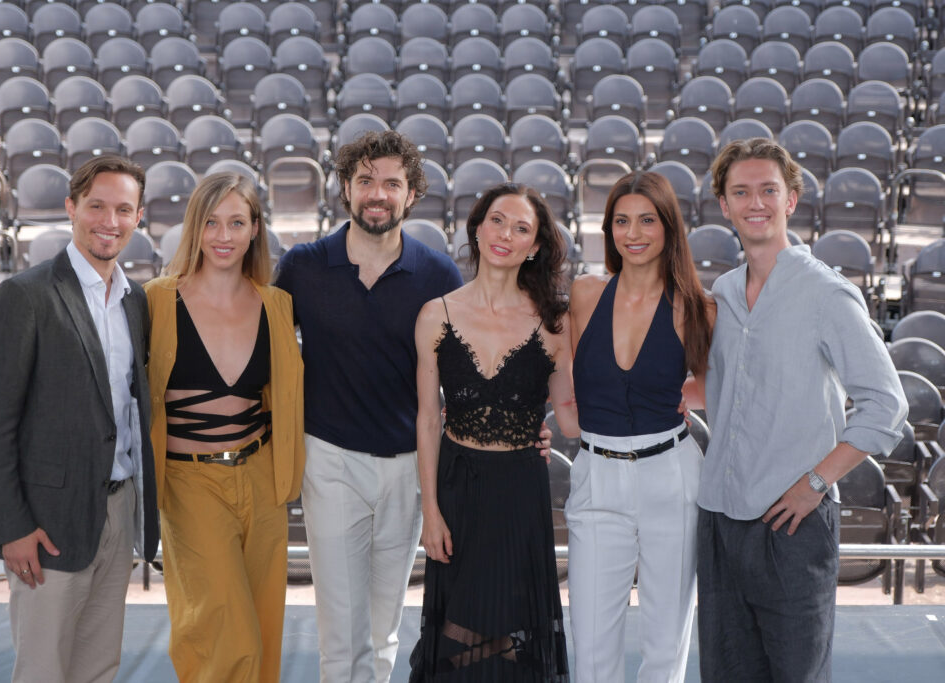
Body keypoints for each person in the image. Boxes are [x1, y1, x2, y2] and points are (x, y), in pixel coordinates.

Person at [696, 138, 907, 682]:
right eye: (741, 192)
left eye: (768, 190)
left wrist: (816, 482)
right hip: (721, 519)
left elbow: (886, 404)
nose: (755, 203)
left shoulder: (825, 293)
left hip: (793, 524)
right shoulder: (723, 291)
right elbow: (723, 389)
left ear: (791, 200)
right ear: (724, 205)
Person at [273, 130, 464, 683]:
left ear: (411, 194)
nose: (377, 194)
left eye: (391, 183)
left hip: (408, 466)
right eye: (365, 181)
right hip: (331, 461)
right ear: (346, 189)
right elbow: (265, 354)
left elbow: (463, 377)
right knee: (342, 631)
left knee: (384, 631)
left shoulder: (438, 275)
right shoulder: (304, 267)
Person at [0, 155, 158, 683]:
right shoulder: (24, 296)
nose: (110, 222)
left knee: (98, 668)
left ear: (139, 217)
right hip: (45, 524)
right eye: (97, 206)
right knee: (43, 671)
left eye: (123, 210)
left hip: (117, 514)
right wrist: (11, 527)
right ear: (71, 207)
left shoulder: (136, 301)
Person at [410, 182, 577, 681]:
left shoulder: (555, 322)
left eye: (521, 228)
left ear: (535, 246)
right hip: (457, 491)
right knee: (455, 632)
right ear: (478, 228)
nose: (506, 235)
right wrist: (430, 511)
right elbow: (427, 419)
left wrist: (666, 404)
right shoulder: (435, 315)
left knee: (515, 630)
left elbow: (570, 416)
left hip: (521, 492)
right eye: (497, 221)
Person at [144, 172, 304, 683]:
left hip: (262, 480)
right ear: (195, 226)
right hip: (189, 482)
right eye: (211, 222)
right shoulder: (155, 301)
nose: (223, 235)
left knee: (263, 631)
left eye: (237, 222)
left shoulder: (276, 305)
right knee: (224, 639)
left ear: (256, 229)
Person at [564, 171, 714, 683]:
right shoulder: (585, 294)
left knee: (666, 641)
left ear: (669, 226)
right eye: (621, 221)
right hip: (596, 474)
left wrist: (684, 396)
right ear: (608, 229)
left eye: (647, 220)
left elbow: (719, 387)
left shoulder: (697, 306)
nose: (633, 233)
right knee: (590, 643)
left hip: (670, 474)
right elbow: (567, 377)